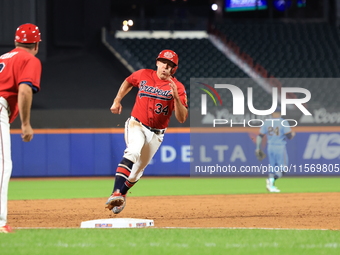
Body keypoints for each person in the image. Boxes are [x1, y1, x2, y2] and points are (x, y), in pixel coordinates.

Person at [105, 49, 188, 214]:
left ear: (174, 69)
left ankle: (122, 193)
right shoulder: (143, 74)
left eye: (170, 65)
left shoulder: (177, 87)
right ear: (157, 62)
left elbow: (182, 118)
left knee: (136, 172)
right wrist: (117, 100)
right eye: (164, 62)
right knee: (133, 151)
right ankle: (115, 192)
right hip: (137, 124)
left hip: (157, 134)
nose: (166, 66)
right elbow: (129, 81)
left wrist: (176, 99)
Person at [0, 23, 42, 233]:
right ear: (36, 45)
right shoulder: (29, 59)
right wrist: (25, 124)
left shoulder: (2, 59)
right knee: (3, 166)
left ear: (16, 41)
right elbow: (25, 90)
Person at [255, 107, 295, 192]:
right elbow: (289, 136)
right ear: (279, 113)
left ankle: (271, 186)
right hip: (280, 147)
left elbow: (260, 136)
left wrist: (258, 148)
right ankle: (271, 180)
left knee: (272, 168)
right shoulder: (283, 122)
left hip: (270, 147)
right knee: (283, 169)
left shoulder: (267, 122)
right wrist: (293, 134)